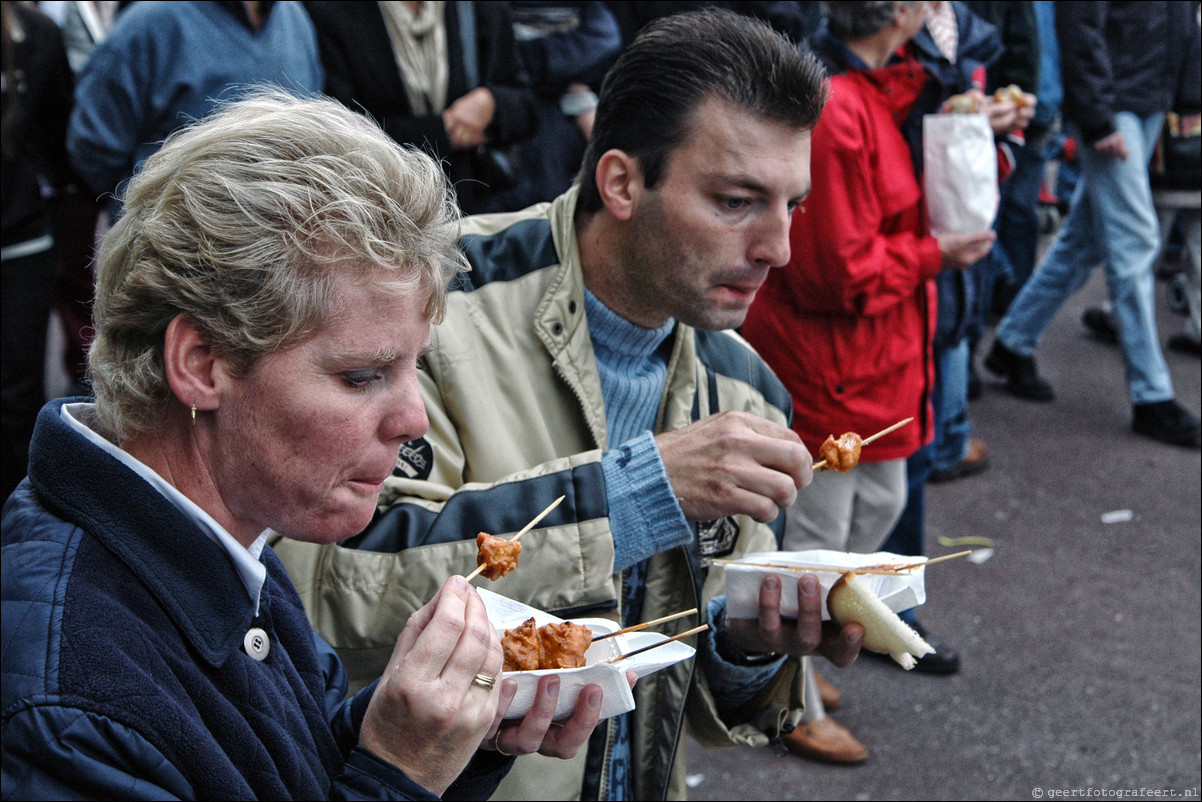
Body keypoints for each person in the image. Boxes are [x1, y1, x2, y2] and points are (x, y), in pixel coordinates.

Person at [273, 9, 864, 800]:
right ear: (620, 182)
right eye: (735, 201)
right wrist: (635, 494)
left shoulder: (747, 388)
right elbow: (323, 587)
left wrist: (748, 644)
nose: (777, 249)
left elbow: (700, 706)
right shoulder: (434, 308)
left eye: (791, 205)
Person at [1, 90, 603, 800]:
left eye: (414, 367)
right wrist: (399, 777)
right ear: (201, 364)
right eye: (361, 376)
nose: (414, 418)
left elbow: (293, 771)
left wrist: (448, 741)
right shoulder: (73, 704)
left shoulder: (228, 529)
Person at [741, 0, 995, 763]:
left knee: (872, 510)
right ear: (907, 12)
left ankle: (794, 665)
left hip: (873, 352)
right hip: (834, 356)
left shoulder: (879, 90)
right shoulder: (839, 108)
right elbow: (833, 273)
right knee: (821, 540)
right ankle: (787, 697)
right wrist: (933, 255)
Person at [984, 0, 1202, 448]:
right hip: (1117, 103)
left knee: (1084, 242)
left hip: (1141, 100)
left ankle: (1013, 341)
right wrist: (1098, 117)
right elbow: (1080, 24)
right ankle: (1152, 395)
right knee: (1136, 242)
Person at [66, 0, 322, 217]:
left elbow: (308, 131)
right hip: (171, 253)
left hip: (279, 247)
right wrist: (152, 216)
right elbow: (93, 148)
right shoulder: (152, 22)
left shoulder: (294, 19)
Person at [304, 0, 538, 216]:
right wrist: (442, 131)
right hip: (379, 211)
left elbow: (526, 107)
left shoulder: (479, 7)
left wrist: (491, 103)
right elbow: (337, 134)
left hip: (473, 209)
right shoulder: (328, 11)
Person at [1, 0, 73, 502]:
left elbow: (60, 136)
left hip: (21, 235)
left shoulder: (36, 33)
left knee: (16, 388)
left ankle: (20, 507)